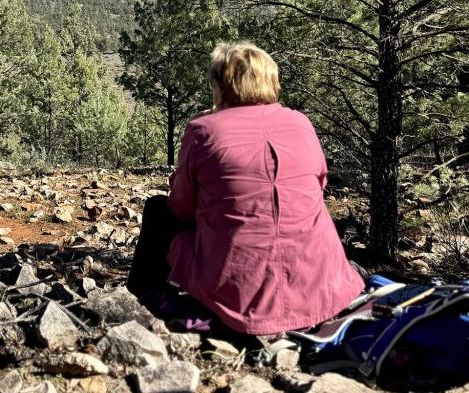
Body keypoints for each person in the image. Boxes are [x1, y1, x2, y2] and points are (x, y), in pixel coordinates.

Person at [129, 41, 364, 335]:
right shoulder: (301, 123)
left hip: (240, 297)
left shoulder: (204, 130)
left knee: (157, 209)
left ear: (221, 85)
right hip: (321, 290)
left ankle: (139, 308)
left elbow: (181, 208)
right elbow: (318, 187)